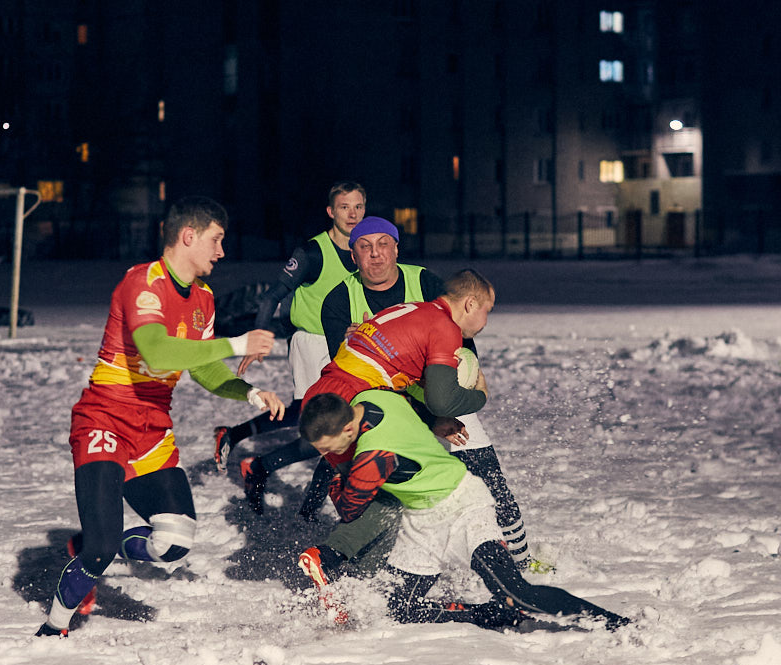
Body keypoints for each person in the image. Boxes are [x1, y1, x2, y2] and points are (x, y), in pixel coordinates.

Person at [36, 196, 285, 638]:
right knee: (100, 548)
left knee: (174, 544)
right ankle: (55, 624)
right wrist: (236, 343)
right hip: (104, 421)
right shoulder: (143, 283)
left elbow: (203, 367)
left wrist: (250, 394)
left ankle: (98, 541)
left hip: (151, 428)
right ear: (188, 236)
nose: (221, 251)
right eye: (216, 239)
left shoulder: (204, 299)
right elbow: (158, 349)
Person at [296, 391, 629, 631]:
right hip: (423, 520)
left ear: (349, 430)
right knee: (400, 607)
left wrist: (336, 483)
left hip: (463, 505)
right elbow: (408, 399)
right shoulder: (372, 397)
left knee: (513, 590)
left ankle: (614, 623)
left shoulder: (373, 455)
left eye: (327, 448)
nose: (327, 456)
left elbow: (349, 509)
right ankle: (489, 616)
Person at [317, 217, 537, 568]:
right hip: (394, 408)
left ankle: (523, 561)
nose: (376, 255)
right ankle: (355, 562)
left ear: (397, 248)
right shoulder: (339, 297)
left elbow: (460, 344)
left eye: (383, 244)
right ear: (353, 255)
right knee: (392, 494)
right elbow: (347, 369)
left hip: (435, 399)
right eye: (365, 247)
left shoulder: (425, 283)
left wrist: (467, 383)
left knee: (487, 475)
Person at [211, 181, 365, 516]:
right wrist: (259, 336)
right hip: (311, 343)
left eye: (358, 207)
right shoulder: (312, 252)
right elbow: (270, 297)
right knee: (329, 426)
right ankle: (270, 474)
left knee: (325, 419)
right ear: (330, 211)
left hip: (345, 344)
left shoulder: (365, 249)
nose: (352, 214)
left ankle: (253, 455)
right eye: (344, 207)